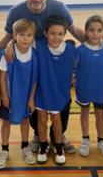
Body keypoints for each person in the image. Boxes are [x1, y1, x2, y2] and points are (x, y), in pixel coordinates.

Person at [0, 0, 85, 154]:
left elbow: (76, 32)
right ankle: (38, 135)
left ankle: (59, 137)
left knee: (61, 103)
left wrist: (99, 43)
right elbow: (7, 38)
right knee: (35, 102)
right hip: (35, 66)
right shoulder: (16, 12)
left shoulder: (60, 8)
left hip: (57, 65)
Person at [0, 19, 38, 169]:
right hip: (10, 96)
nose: (25, 38)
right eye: (22, 34)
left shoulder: (34, 55)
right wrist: (5, 96)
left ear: (33, 37)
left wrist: (32, 98)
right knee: (5, 122)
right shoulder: (8, 53)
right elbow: (1, 76)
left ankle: (25, 147)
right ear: (14, 35)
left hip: (25, 96)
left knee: (25, 121)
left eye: (29, 35)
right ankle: (5, 150)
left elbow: (35, 80)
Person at [35, 15, 75, 165]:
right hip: (42, 90)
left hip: (59, 92)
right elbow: (20, 41)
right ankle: (43, 145)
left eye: (60, 34)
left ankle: (58, 146)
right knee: (42, 119)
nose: (56, 37)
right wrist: (11, 44)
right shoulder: (38, 45)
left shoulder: (71, 49)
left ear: (65, 34)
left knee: (57, 119)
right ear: (45, 33)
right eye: (52, 33)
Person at [75, 15, 103, 158]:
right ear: (86, 31)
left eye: (99, 30)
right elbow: (72, 68)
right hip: (84, 88)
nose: (95, 33)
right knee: (84, 112)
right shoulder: (80, 50)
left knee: (100, 114)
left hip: (101, 90)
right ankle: (85, 139)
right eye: (91, 30)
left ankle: (101, 140)